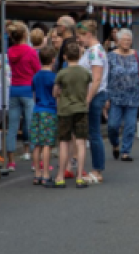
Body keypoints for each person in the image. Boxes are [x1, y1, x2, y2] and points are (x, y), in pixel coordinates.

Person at [107, 29, 139, 162]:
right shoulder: (110, 56)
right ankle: (115, 144)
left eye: (129, 40)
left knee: (130, 126)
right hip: (115, 97)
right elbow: (105, 76)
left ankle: (125, 151)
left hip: (133, 96)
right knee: (112, 125)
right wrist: (105, 96)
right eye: (124, 40)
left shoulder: (136, 55)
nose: (127, 42)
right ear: (118, 41)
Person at [50, 42, 91, 189]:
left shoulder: (62, 73)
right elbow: (86, 91)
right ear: (80, 55)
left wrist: (61, 93)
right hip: (81, 109)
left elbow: (55, 92)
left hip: (65, 110)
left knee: (64, 143)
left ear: (65, 57)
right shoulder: (86, 73)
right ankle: (79, 177)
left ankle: (60, 177)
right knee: (80, 143)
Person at [76, 20, 109, 184]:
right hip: (94, 95)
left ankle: (97, 170)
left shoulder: (95, 52)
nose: (78, 40)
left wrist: (87, 99)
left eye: (79, 36)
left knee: (94, 133)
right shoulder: (93, 50)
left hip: (94, 95)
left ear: (88, 34)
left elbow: (96, 79)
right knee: (93, 133)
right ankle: (97, 169)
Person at [6, 22, 41, 170]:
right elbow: (37, 70)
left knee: (12, 127)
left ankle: (11, 162)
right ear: (25, 35)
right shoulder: (31, 51)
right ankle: (35, 161)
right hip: (28, 89)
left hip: (14, 89)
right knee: (31, 125)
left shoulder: (10, 51)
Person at [31, 46, 57, 186]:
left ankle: (37, 174)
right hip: (50, 111)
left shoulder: (36, 76)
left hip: (37, 110)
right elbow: (56, 94)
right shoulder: (54, 77)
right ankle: (46, 174)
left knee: (37, 144)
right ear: (53, 60)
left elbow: (34, 94)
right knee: (47, 144)